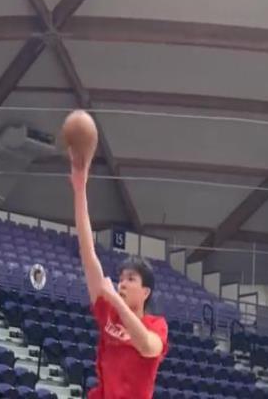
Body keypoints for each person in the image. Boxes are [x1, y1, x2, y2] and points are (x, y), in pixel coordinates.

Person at [69, 150, 168, 399]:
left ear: (145, 292)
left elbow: (147, 347)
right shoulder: (109, 313)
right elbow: (88, 253)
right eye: (121, 278)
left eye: (130, 279)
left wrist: (115, 299)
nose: (122, 283)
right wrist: (80, 189)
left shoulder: (156, 326)